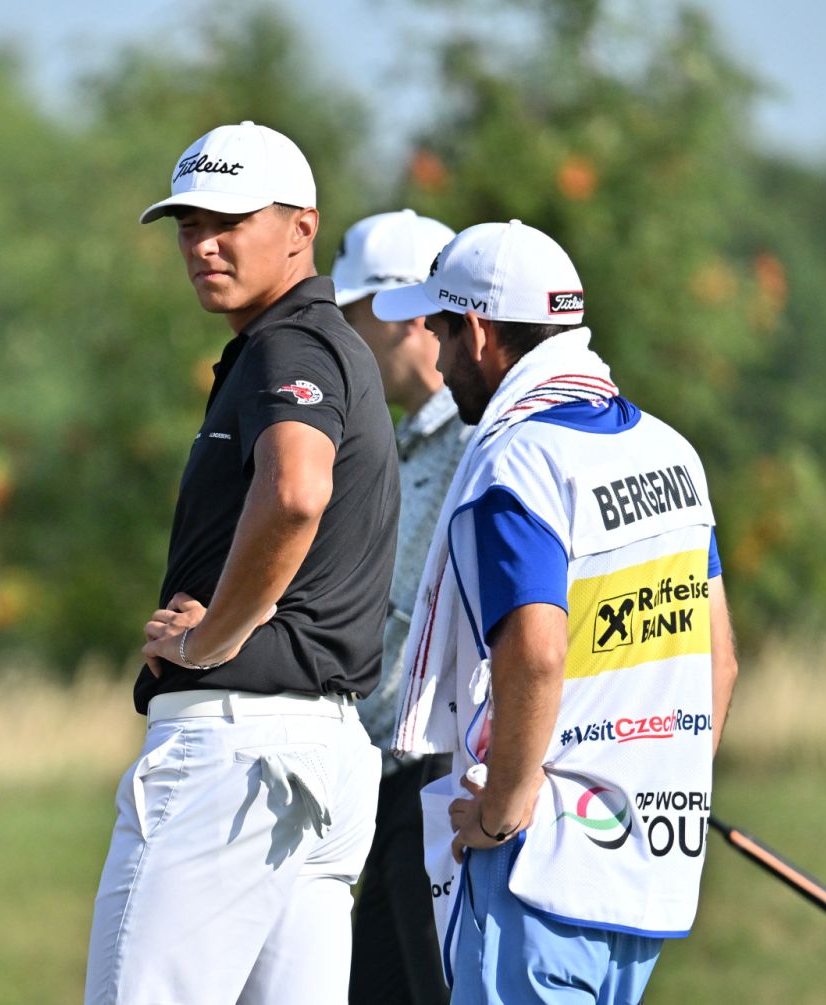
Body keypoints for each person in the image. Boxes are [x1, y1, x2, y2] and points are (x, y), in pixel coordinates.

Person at [372, 220, 739, 1005]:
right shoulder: (671, 451)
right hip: (646, 872)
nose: (435, 355)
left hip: (542, 873)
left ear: (476, 330)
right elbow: (720, 662)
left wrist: (501, 815)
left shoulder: (518, 460)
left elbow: (537, 654)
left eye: (439, 329)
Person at [83, 120, 400, 1005]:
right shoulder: (330, 348)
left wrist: (210, 638)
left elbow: (298, 490)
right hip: (322, 752)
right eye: (187, 225)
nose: (203, 244)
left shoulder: (287, 346)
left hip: (238, 744)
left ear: (302, 227)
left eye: (228, 219)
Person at [330, 209, 464, 1005]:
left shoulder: (482, 442)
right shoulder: (405, 440)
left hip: (441, 775)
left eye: (354, 317)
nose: (343, 338)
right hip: (386, 779)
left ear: (406, 313)